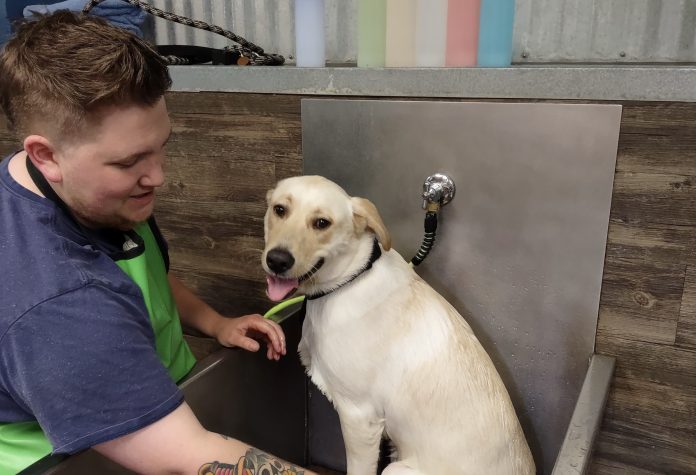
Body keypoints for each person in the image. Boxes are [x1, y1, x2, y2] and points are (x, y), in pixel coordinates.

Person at [0, 10, 315, 475]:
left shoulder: (77, 188)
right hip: (68, 457)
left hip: (154, 398)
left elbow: (145, 269)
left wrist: (214, 322)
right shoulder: (61, 303)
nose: (158, 176)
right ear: (45, 154)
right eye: (129, 162)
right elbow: (188, 457)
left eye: (160, 146)